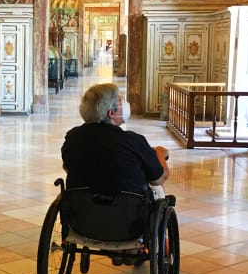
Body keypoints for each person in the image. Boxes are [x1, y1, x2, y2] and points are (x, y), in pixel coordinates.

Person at [61, 83, 170, 264]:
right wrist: (159, 154)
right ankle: (139, 248)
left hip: (83, 220)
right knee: (157, 193)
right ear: (111, 113)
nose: (124, 104)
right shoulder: (133, 141)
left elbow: (68, 167)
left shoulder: (73, 137)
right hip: (128, 223)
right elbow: (159, 178)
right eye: (120, 100)